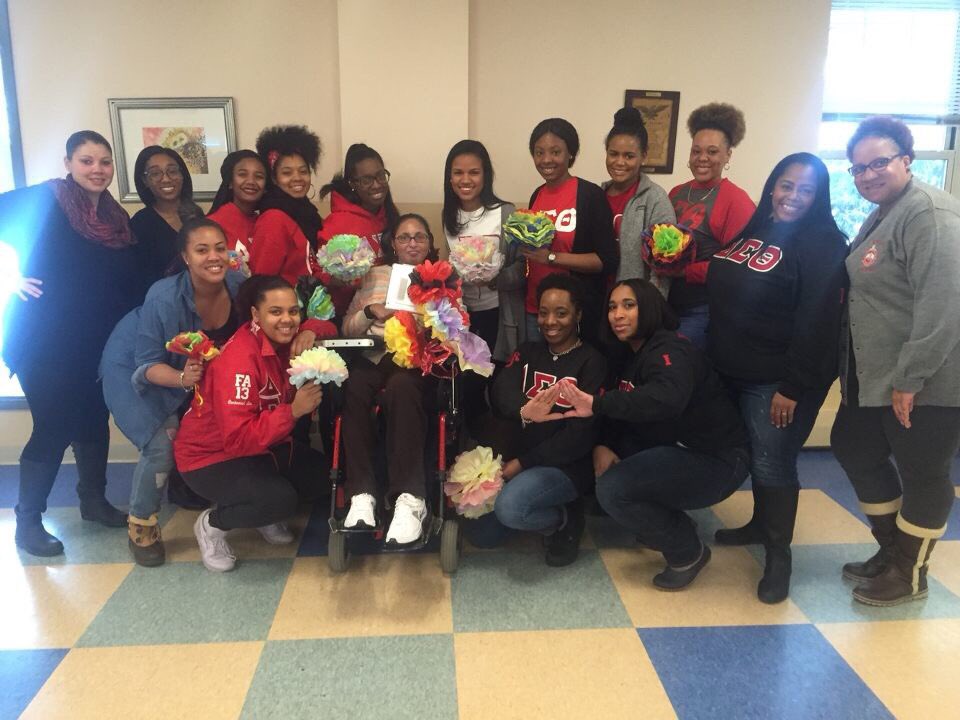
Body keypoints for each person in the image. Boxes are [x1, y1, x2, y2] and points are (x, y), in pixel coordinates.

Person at [707, 153, 848, 603]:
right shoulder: (761, 226)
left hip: (775, 382)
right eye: (786, 186)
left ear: (818, 196)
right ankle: (756, 525)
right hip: (733, 369)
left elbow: (818, 323)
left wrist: (792, 386)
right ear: (772, 186)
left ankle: (779, 557)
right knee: (753, 455)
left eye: (805, 190)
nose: (793, 196)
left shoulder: (823, 243)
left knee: (773, 463)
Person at [831, 116, 960, 607]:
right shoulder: (886, 211)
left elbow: (943, 302)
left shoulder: (928, 213)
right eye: (857, 168)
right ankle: (892, 548)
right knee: (853, 444)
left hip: (927, 378)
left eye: (878, 162)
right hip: (878, 375)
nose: (866, 175)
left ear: (907, 159)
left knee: (924, 470)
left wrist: (912, 378)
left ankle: (911, 572)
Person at [554, 279, 750, 589]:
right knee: (605, 488)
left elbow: (666, 398)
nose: (617, 314)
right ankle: (673, 523)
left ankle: (688, 552)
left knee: (613, 491)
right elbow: (627, 410)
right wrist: (605, 443)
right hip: (679, 449)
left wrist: (596, 404)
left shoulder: (670, 350)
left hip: (718, 460)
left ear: (650, 308)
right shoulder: (630, 353)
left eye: (628, 306)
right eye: (612, 307)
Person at [1, 130, 143, 556]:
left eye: (104, 161)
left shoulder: (116, 217)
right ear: (67, 163)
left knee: (93, 420)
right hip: (46, 340)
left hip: (96, 340)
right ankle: (28, 522)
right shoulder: (43, 201)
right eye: (86, 161)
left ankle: (93, 501)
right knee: (53, 424)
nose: (97, 169)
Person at [101, 218, 245, 566]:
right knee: (162, 444)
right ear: (184, 256)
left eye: (219, 248)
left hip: (190, 372)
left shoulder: (239, 285)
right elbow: (147, 365)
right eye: (201, 249)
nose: (213, 257)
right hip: (134, 364)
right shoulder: (164, 297)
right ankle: (142, 525)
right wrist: (184, 379)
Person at [173, 275, 336, 572]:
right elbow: (237, 440)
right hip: (210, 458)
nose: (287, 320)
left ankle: (260, 510)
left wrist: (311, 329)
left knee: (325, 476)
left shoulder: (284, 338)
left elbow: (329, 324)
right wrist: (293, 411)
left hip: (262, 448)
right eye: (276, 312)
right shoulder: (239, 361)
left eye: (293, 311)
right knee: (279, 501)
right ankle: (213, 524)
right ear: (255, 314)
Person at [490, 273, 606, 567]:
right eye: (543, 313)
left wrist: (523, 464)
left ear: (578, 314)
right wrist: (524, 410)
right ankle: (538, 500)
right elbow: (501, 389)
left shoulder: (592, 362)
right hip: (519, 455)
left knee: (511, 510)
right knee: (483, 535)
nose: (550, 321)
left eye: (561, 313)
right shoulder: (528, 351)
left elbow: (581, 436)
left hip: (564, 466)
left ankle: (565, 518)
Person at [340, 213, 440, 545]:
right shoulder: (375, 275)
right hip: (373, 354)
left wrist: (427, 322)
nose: (412, 243)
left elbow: (458, 330)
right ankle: (362, 496)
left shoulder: (442, 277)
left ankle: (410, 500)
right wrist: (370, 312)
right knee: (353, 386)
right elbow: (347, 327)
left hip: (415, 362)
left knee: (402, 387)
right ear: (393, 244)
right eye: (404, 237)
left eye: (419, 237)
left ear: (429, 243)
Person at [668, 103, 755, 349]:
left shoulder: (736, 201)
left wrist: (684, 272)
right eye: (696, 151)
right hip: (667, 304)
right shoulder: (676, 193)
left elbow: (734, 267)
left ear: (728, 155)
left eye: (712, 151)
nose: (702, 158)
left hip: (703, 310)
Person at [523, 118, 618, 345]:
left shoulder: (590, 195)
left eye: (555, 152)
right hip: (536, 309)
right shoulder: (536, 195)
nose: (546, 159)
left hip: (573, 314)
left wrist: (552, 258)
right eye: (539, 152)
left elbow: (606, 260)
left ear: (570, 154)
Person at [442, 139, 523, 361]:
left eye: (474, 172)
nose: (465, 180)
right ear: (450, 178)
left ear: (485, 176)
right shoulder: (448, 216)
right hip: (464, 314)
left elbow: (522, 266)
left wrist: (495, 279)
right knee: (469, 378)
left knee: (496, 375)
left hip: (499, 312)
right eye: (458, 173)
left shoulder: (505, 212)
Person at [318, 143, 400, 318]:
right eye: (367, 180)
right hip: (350, 317)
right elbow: (321, 276)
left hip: (389, 314)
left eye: (381, 176)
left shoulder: (390, 216)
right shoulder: (338, 223)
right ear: (352, 184)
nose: (377, 185)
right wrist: (343, 279)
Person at [603, 107, 677, 289]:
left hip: (634, 306)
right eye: (613, 154)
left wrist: (650, 309)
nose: (619, 162)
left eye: (629, 156)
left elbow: (663, 269)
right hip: (596, 301)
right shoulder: (596, 194)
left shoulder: (656, 199)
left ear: (643, 156)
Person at [249, 125, 325, 286]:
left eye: (303, 171)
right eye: (287, 172)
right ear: (274, 178)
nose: (297, 178)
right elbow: (262, 281)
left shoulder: (309, 213)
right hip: (285, 308)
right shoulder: (273, 219)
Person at [130, 146, 203, 287]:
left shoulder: (196, 215)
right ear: (145, 180)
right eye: (155, 173)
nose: (166, 179)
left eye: (173, 171)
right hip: (163, 304)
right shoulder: (140, 225)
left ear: (183, 175)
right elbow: (140, 278)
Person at [207, 150, 268, 253]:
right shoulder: (211, 225)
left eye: (259, 176)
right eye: (242, 174)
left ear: (266, 187)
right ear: (230, 182)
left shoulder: (267, 223)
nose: (251, 181)